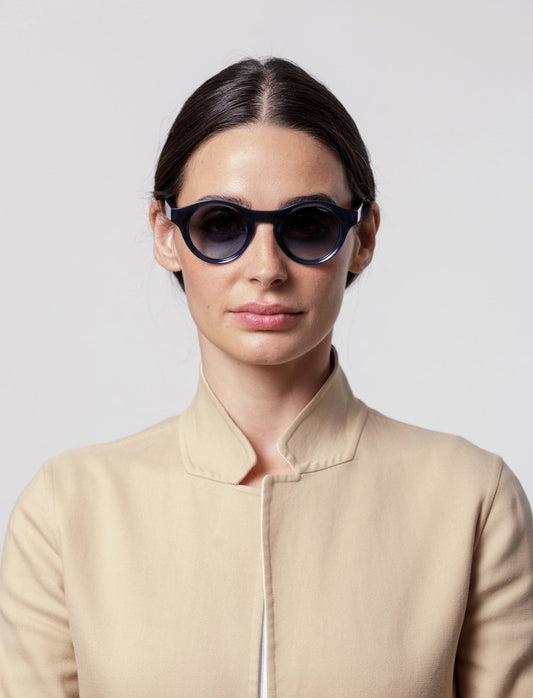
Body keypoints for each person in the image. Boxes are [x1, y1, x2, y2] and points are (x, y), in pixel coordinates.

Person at [1, 57, 532, 697]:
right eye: (221, 225)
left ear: (362, 238)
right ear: (166, 235)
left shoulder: (471, 499)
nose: (265, 269)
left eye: (307, 226)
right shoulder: (68, 509)